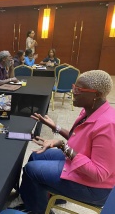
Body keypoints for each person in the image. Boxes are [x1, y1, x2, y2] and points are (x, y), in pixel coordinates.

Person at [18, 70, 115, 214]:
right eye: (74, 86)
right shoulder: (89, 110)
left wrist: (62, 146)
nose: (73, 91)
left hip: (95, 187)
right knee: (35, 156)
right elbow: (78, 139)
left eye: (79, 90)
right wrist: (54, 126)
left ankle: (39, 210)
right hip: (82, 165)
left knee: (31, 170)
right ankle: (48, 198)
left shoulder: (107, 125)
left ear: (96, 95)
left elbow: (99, 173)